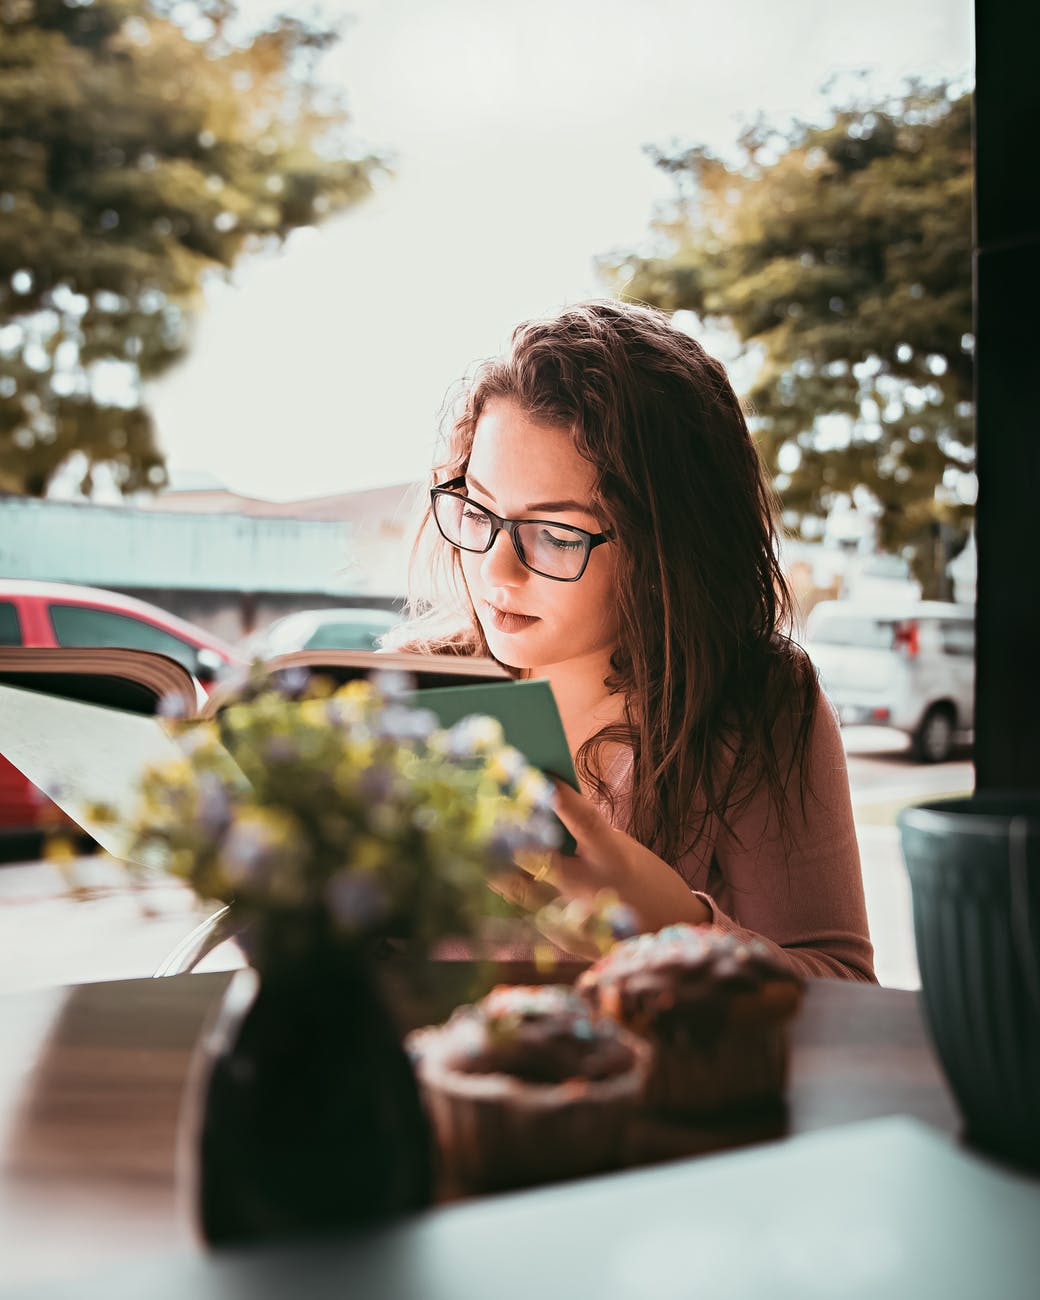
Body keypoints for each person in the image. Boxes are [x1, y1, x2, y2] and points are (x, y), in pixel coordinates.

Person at [399, 300, 875, 982]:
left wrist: (676, 929)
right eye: (478, 510)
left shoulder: (753, 705)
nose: (496, 570)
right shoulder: (412, 683)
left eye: (557, 535)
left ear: (666, 548)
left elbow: (849, 992)